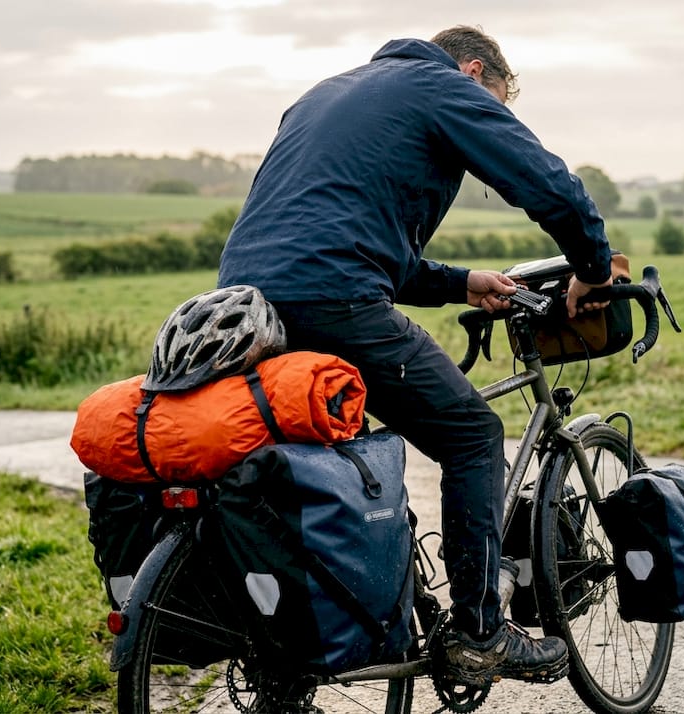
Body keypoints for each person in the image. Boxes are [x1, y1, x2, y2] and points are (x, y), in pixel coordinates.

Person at [217, 25, 612, 687]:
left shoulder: (325, 95)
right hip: (333, 298)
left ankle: (304, 642)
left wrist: (460, 283)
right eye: (494, 102)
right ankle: (481, 635)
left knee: (319, 459)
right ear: (475, 72)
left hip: (244, 309)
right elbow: (545, 182)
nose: (489, 113)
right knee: (473, 434)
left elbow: (344, 240)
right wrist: (593, 268)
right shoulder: (440, 86)